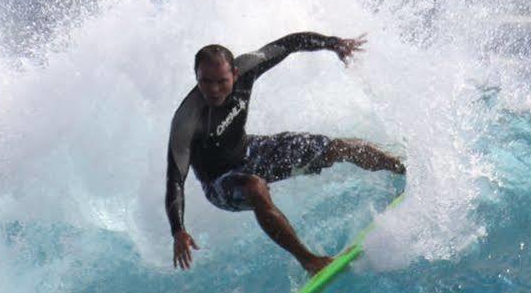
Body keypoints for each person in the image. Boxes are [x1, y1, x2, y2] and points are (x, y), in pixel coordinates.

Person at [165, 31, 404, 275]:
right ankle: (310, 261)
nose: (214, 90)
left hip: (251, 150)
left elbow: (287, 44)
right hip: (219, 182)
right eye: (205, 82)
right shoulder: (186, 121)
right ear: (197, 77)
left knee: (338, 148)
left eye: (221, 81)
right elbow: (174, 179)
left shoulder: (247, 68)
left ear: (235, 74)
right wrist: (178, 230)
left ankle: (405, 169)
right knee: (255, 187)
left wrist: (333, 44)